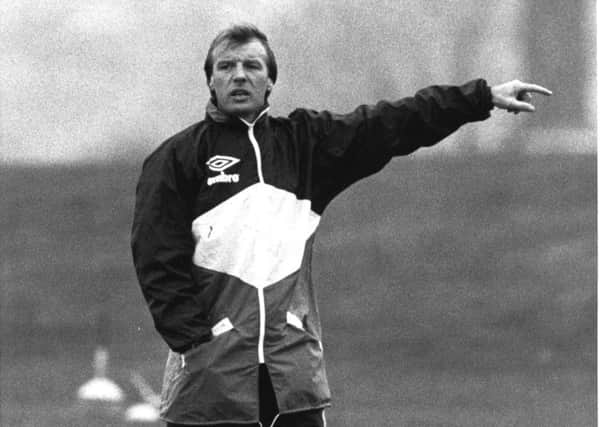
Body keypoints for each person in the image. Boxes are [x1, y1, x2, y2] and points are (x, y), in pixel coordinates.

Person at [130, 23, 551, 427]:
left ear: (270, 81)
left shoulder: (305, 144)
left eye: (252, 66)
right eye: (226, 66)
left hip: (293, 379)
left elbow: (389, 123)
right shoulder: (176, 158)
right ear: (210, 81)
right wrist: (195, 341)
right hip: (210, 384)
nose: (239, 75)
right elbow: (156, 257)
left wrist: (480, 98)